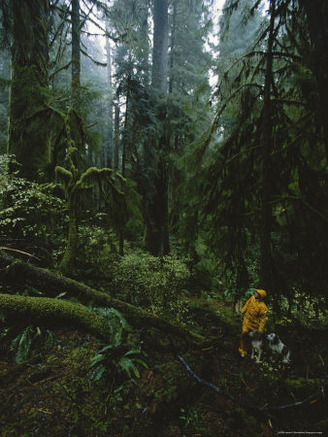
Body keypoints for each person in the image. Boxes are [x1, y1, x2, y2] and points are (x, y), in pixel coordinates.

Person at [238, 289, 268, 357]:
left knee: (252, 338)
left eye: (257, 293)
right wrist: (243, 310)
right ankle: (242, 350)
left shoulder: (263, 307)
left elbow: (263, 319)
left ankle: (252, 351)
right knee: (244, 333)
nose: (255, 294)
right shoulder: (252, 298)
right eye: (256, 292)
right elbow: (247, 303)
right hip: (246, 320)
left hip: (254, 325)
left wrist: (261, 329)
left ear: (260, 296)